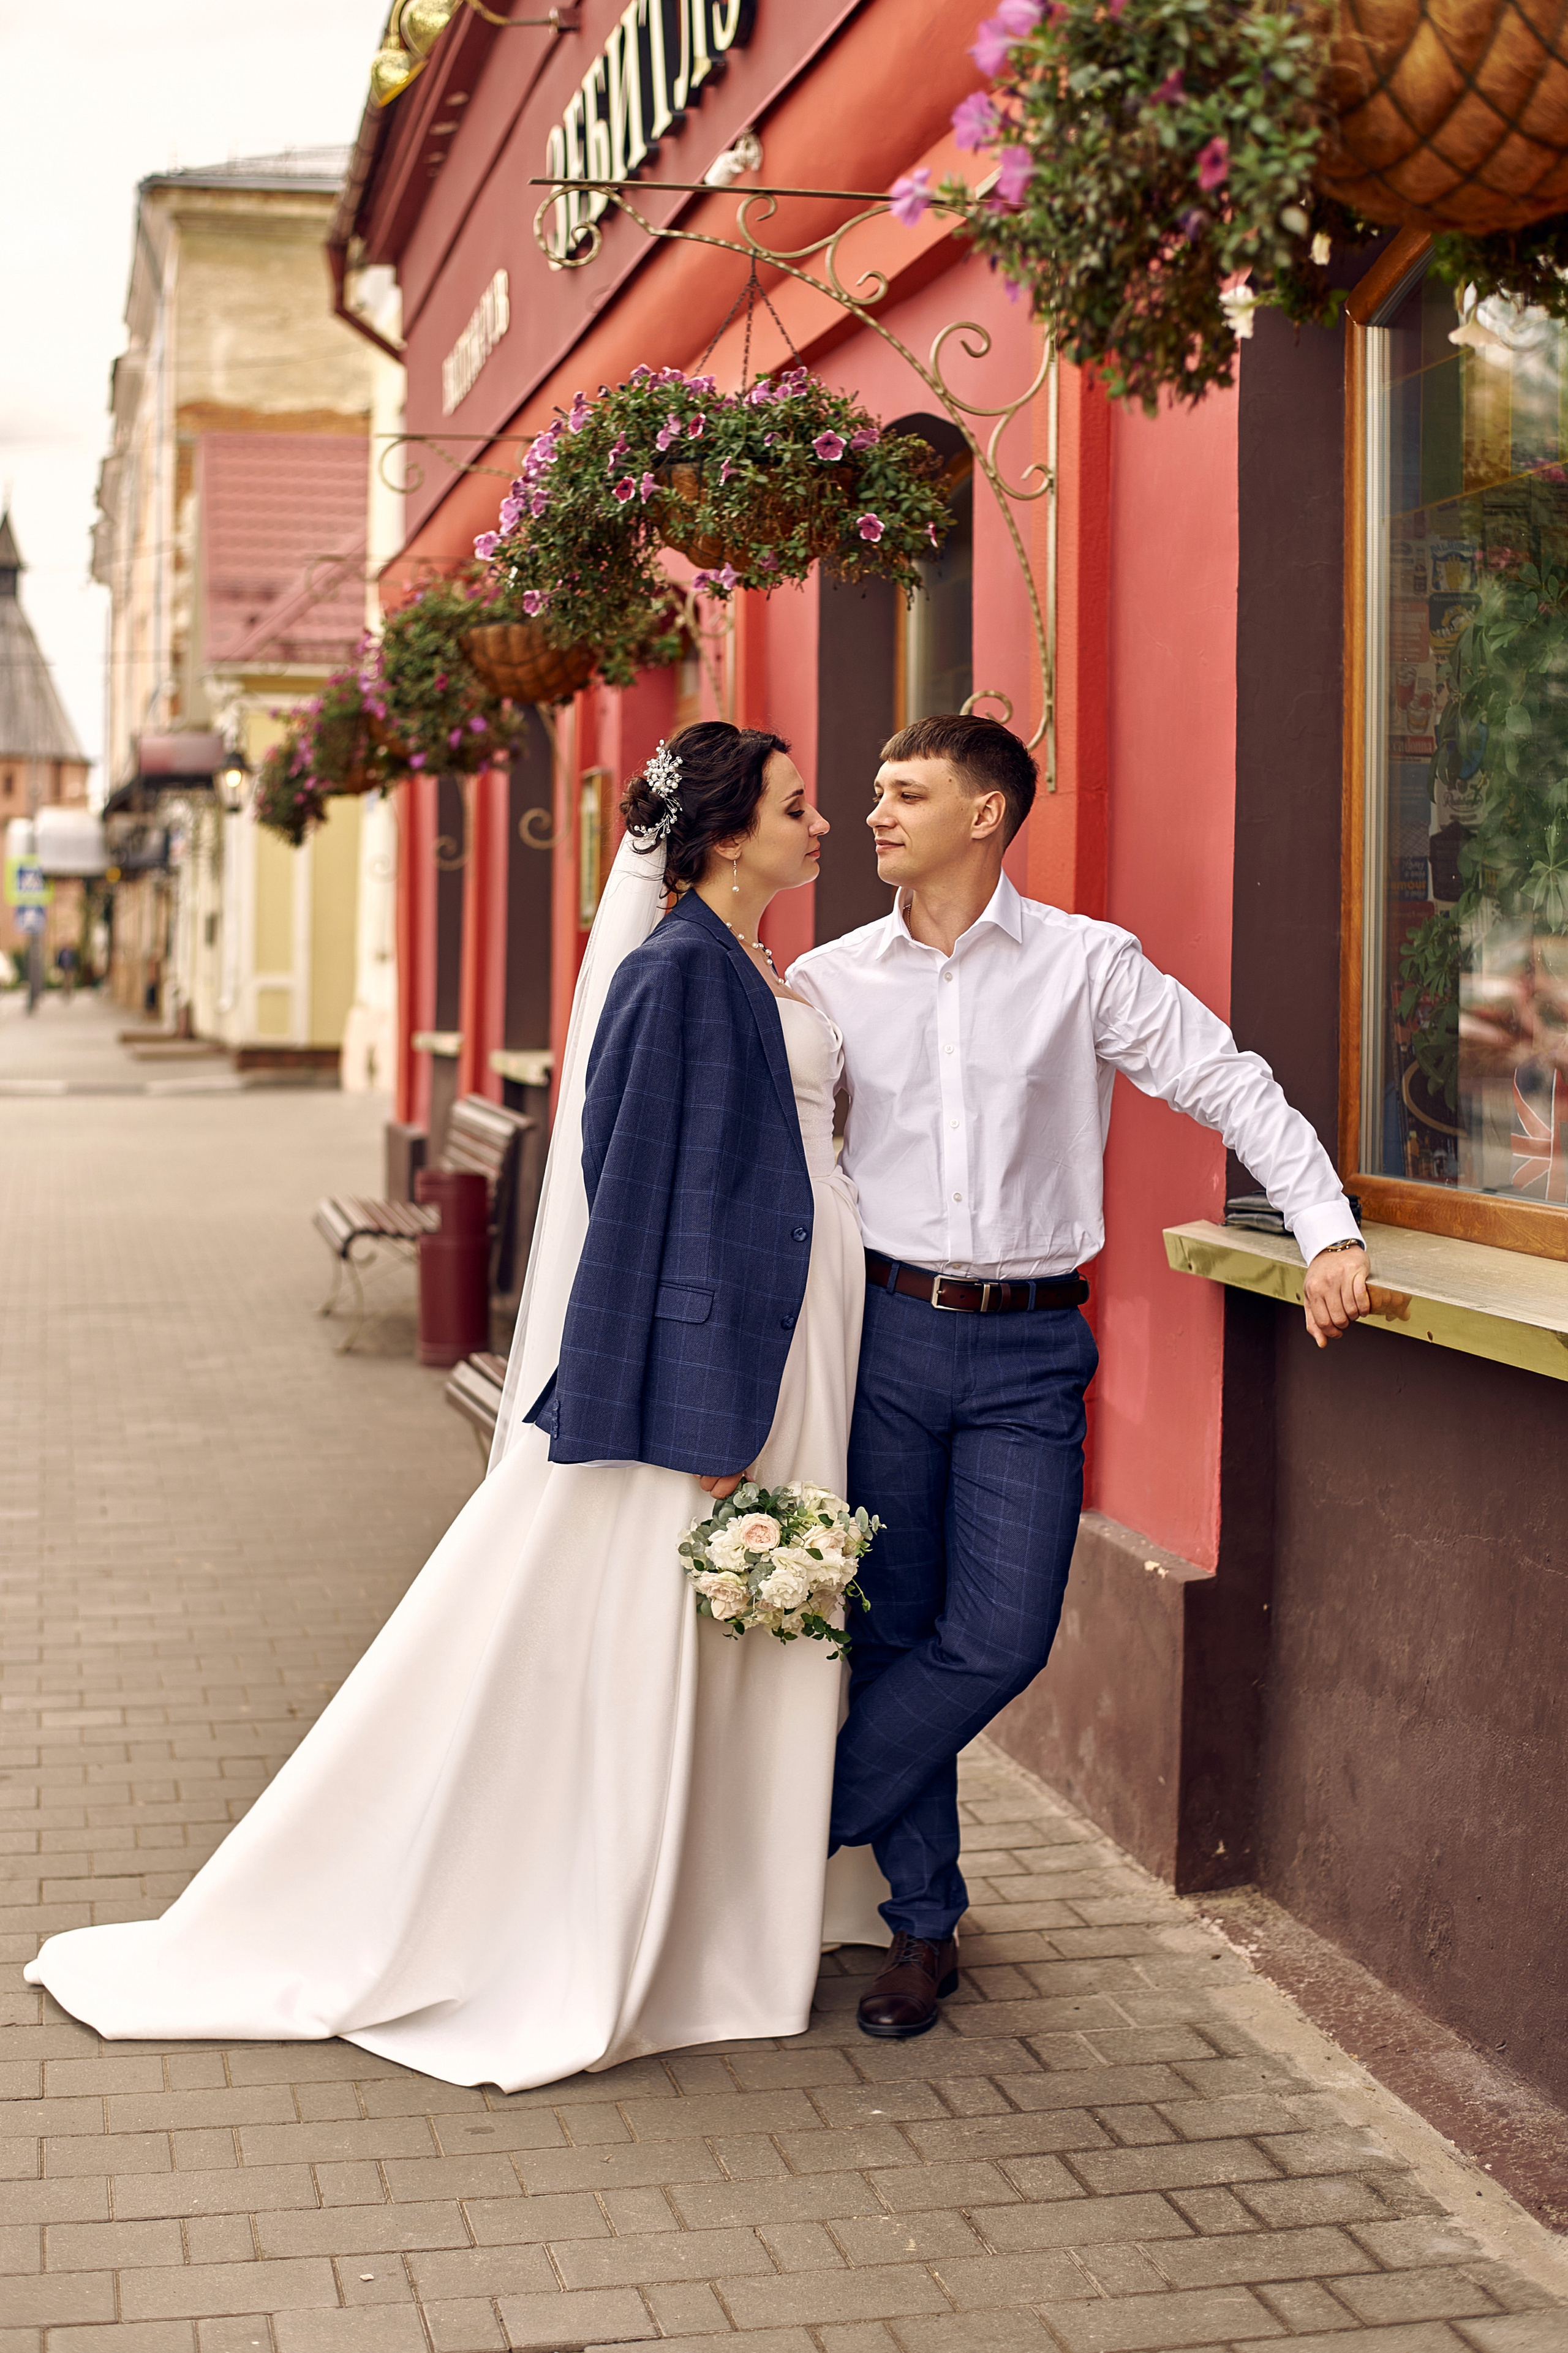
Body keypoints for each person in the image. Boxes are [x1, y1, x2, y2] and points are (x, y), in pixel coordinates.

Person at [26, 721, 889, 2089]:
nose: (823, 823)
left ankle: (738, 1909)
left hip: (794, 1348)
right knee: (666, 1634)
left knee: (745, 1637)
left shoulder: (749, 962)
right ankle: (635, 1924)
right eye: (800, 804)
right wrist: (693, 1415)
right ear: (728, 835)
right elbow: (629, 1202)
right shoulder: (674, 975)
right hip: (721, 1375)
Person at [789, 712, 1371, 2040]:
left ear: (985, 814)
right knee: (889, 1629)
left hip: (1029, 1348)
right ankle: (920, 1930)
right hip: (879, 1335)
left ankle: (792, 1821)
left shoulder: (1083, 965)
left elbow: (1227, 1082)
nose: (871, 814)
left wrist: (1326, 1225)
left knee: (995, 1638)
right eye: (871, 793)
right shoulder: (828, 980)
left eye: (904, 793)